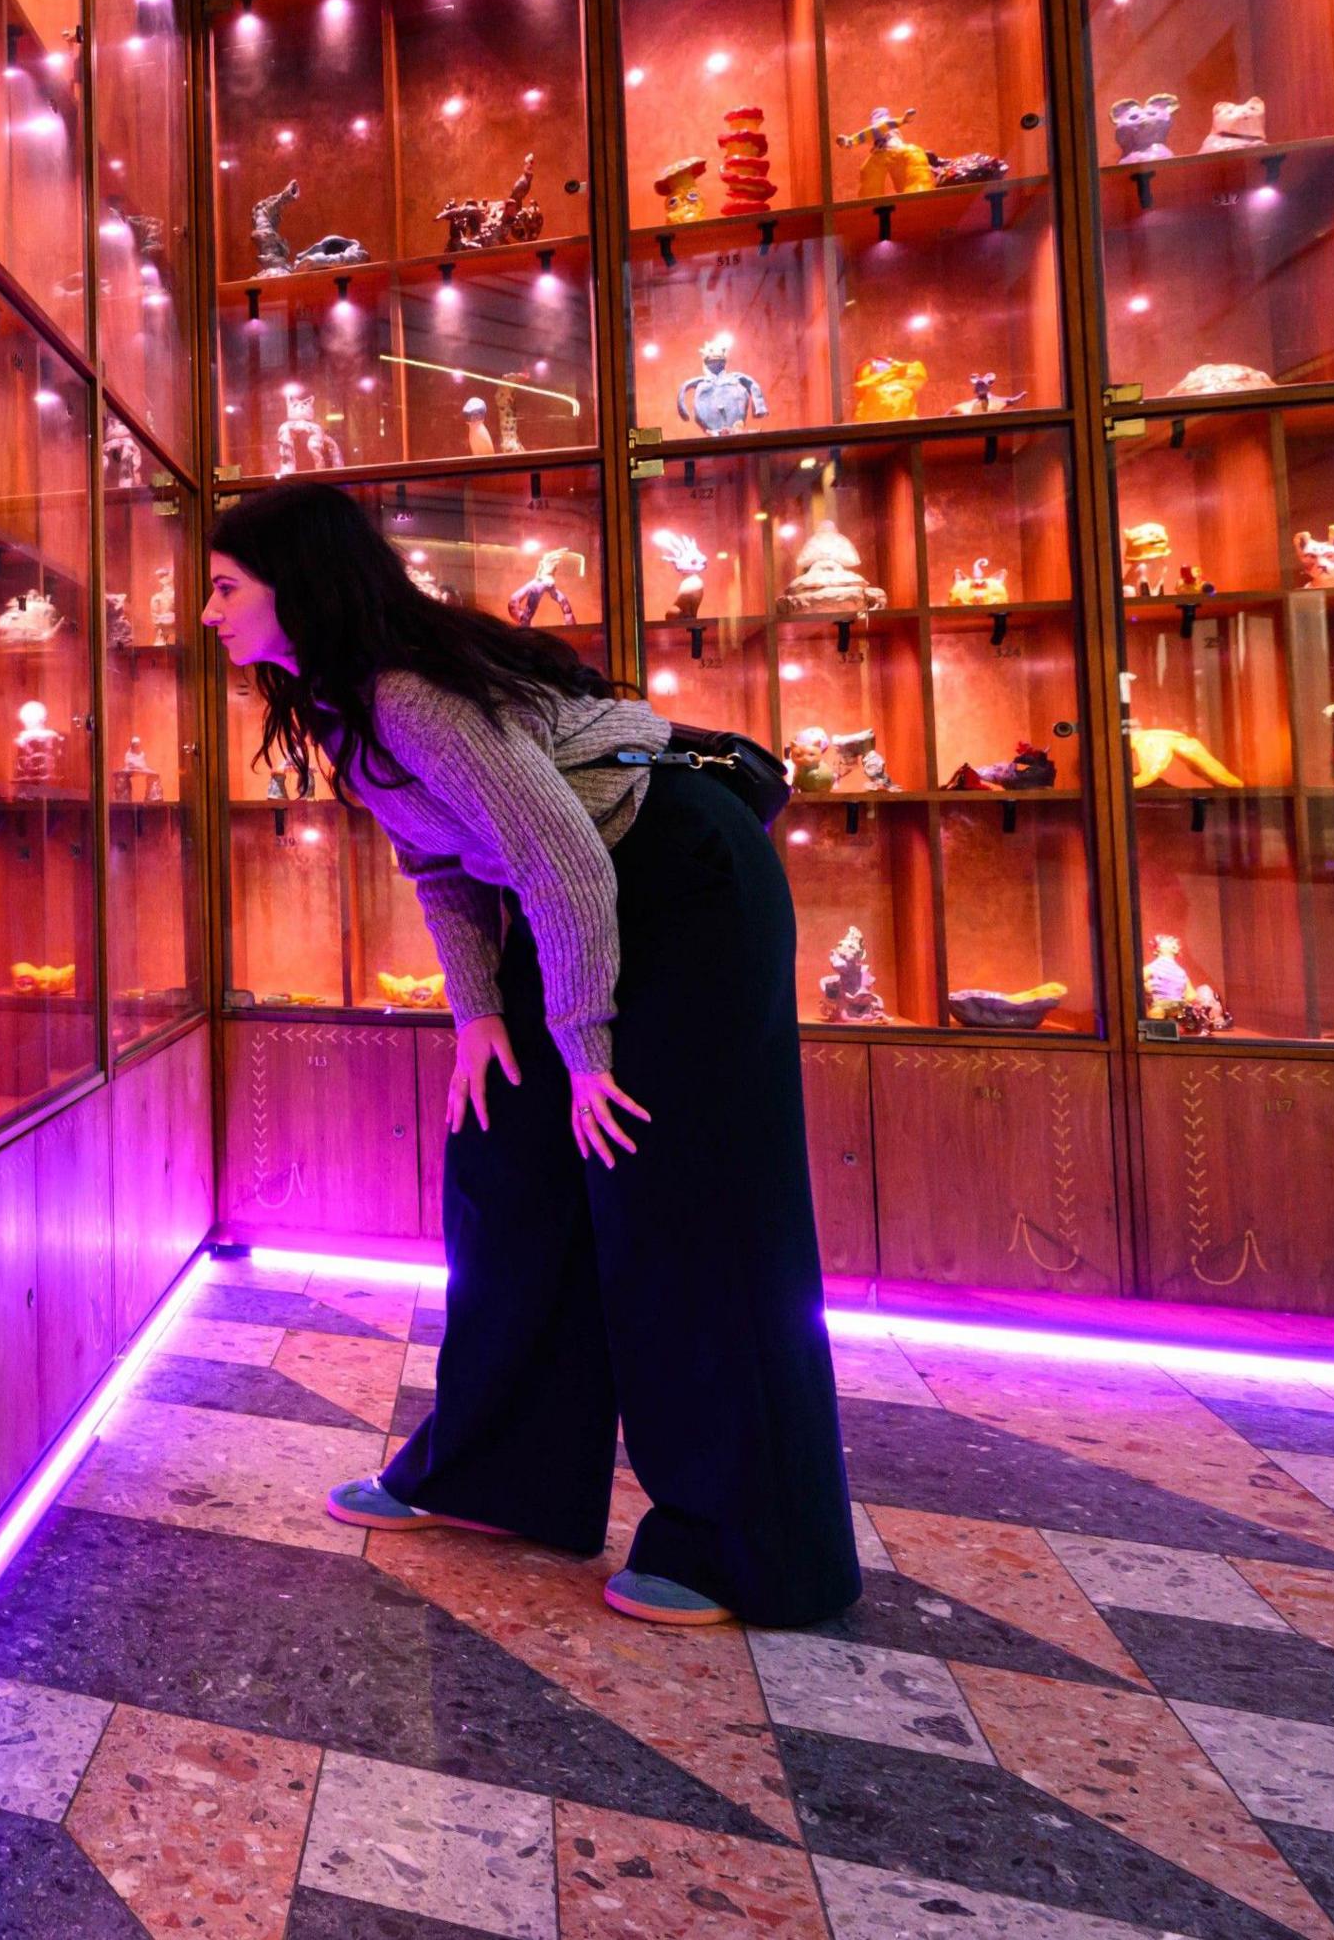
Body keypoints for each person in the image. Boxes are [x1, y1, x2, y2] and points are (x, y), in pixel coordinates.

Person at [201, 482, 857, 1629]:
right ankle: (496, 1476)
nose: (205, 613)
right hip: (590, 893)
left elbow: (562, 857)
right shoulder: (344, 709)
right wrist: (482, 1020)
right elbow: (443, 863)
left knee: (674, 1193)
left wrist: (588, 1046)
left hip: (680, 878)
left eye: (223, 587)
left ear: (295, 587)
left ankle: (742, 1542)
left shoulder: (409, 696)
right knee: (504, 1163)